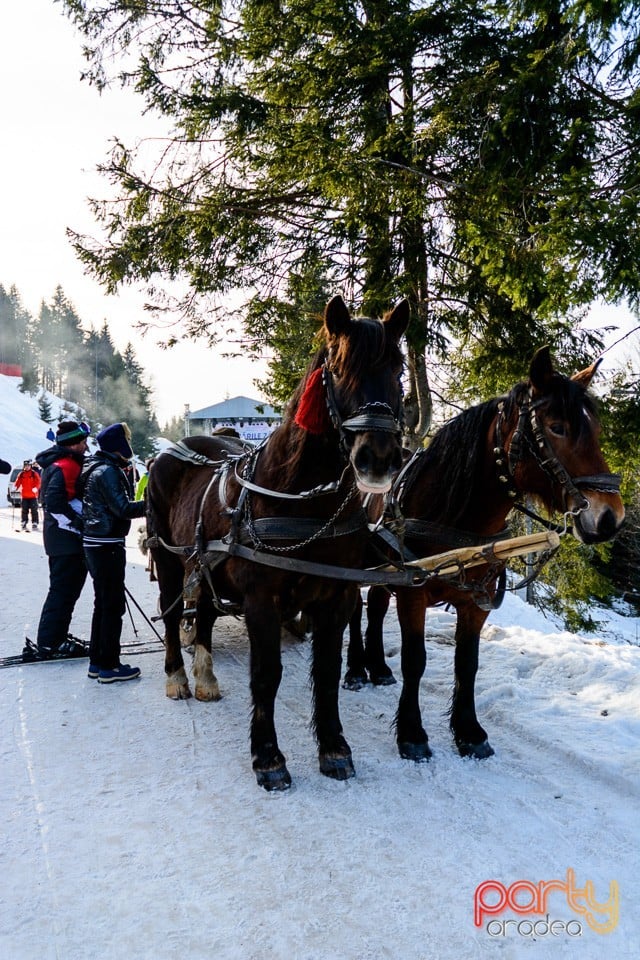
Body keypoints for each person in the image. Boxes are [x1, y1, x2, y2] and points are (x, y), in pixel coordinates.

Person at [80, 422, 146, 683]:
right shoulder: (107, 471)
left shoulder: (97, 466)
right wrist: (154, 501)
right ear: (120, 445)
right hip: (106, 544)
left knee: (103, 604)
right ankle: (110, 665)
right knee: (112, 605)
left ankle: (97, 661)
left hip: (97, 543)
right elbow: (123, 509)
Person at [33, 421, 91, 659]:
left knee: (65, 591)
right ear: (73, 444)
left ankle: (56, 637)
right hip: (64, 541)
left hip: (61, 539)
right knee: (63, 591)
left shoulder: (62, 462)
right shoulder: (66, 465)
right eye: (83, 442)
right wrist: (77, 524)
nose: (86, 447)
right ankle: (50, 643)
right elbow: (54, 502)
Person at [14, 459, 41, 530]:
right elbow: (18, 481)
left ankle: (35, 522)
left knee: (34, 510)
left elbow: (38, 482)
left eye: (28, 465)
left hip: (33, 495)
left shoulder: (34, 473)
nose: (27, 467)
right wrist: (16, 487)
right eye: (26, 466)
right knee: (24, 510)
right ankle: (24, 521)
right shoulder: (21, 474)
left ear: (30, 466)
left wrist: (36, 488)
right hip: (24, 495)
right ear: (24, 466)